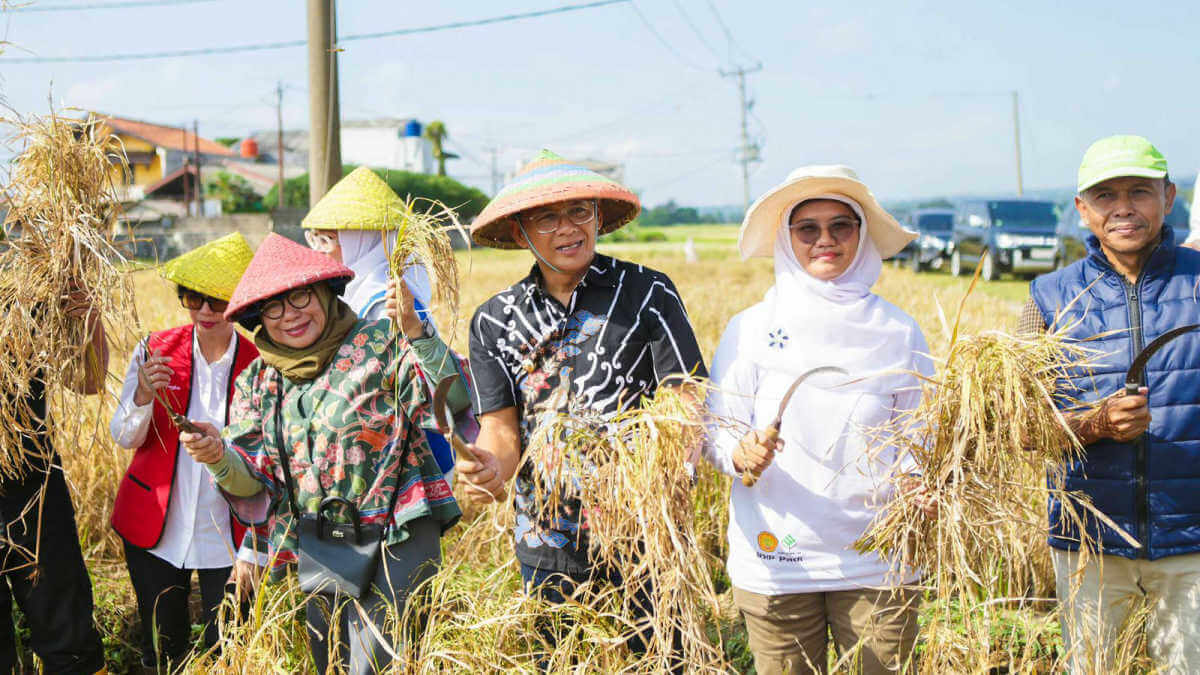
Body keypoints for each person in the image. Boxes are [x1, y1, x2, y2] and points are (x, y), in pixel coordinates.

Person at [458, 150, 708, 659]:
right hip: (547, 536)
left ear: (597, 216)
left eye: (579, 212)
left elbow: (685, 395)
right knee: (561, 661)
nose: (568, 228)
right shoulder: (494, 321)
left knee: (663, 661)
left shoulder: (648, 293)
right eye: (547, 218)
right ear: (521, 233)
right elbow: (501, 429)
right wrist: (490, 470)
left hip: (643, 530)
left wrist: (674, 461)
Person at [178, 233, 463, 674]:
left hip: (397, 531)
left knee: (381, 661)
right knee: (331, 659)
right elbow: (252, 482)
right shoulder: (258, 381)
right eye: (273, 307)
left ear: (326, 294)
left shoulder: (380, 344)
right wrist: (217, 456)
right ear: (258, 317)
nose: (290, 315)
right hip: (321, 542)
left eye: (300, 297)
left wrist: (417, 332)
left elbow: (450, 405)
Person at [705, 165, 932, 674]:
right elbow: (717, 430)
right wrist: (741, 453)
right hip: (777, 559)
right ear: (787, 240)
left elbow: (921, 432)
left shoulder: (898, 330)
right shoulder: (752, 329)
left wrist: (918, 481)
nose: (824, 239)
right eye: (807, 228)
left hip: (878, 559)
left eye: (840, 226)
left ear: (861, 235)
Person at [1021, 135, 1200, 671]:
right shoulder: (1048, 298)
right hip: (1089, 542)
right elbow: (1021, 429)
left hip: (1192, 540)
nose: (1123, 207)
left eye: (1139, 191)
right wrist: (1095, 423)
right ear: (1082, 208)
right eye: (1105, 195)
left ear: (1168, 197)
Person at [109, 232, 263, 672]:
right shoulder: (153, 350)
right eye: (194, 299)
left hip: (230, 537)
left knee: (230, 649)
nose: (205, 312)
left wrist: (224, 446)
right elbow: (124, 436)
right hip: (156, 528)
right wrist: (141, 394)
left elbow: (271, 456)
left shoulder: (262, 364)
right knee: (161, 648)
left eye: (217, 301)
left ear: (238, 302)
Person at [301, 166, 463, 480]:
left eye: (326, 240)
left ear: (361, 241)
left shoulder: (389, 301)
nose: (318, 251)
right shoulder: (353, 293)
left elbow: (432, 382)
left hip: (406, 460)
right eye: (314, 239)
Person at [0, 282, 108, 674]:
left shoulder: (26, 290)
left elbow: (88, 381)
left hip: (33, 487)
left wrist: (87, 317)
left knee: (69, 635)